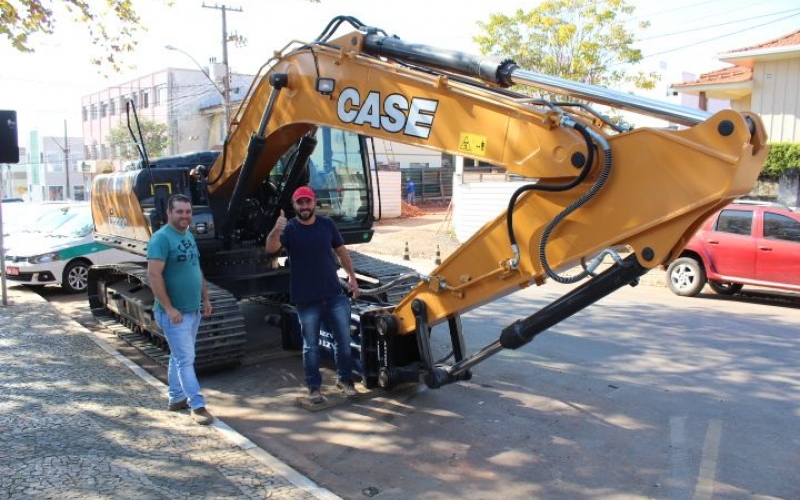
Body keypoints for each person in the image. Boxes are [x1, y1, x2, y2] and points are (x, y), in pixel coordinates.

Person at [266, 186, 360, 403]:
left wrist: (352, 278)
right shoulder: (289, 229)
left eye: (307, 202)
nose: (304, 206)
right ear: (294, 205)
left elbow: (341, 251)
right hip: (307, 299)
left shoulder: (327, 224)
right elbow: (271, 249)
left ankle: (345, 380)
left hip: (334, 295)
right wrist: (275, 229)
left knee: (343, 341)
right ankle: (314, 387)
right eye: (300, 203)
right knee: (311, 347)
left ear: (314, 202)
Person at [147, 194, 215, 425]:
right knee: (186, 359)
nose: (185, 216)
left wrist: (205, 298)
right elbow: (154, 275)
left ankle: (176, 398)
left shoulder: (188, 235)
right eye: (180, 212)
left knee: (179, 357)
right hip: (174, 314)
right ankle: (197, 405)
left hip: (192, 309)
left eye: (188, 212)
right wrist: (168, 308)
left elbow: (196, 269)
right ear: (169, 212)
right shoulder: (161, 239)